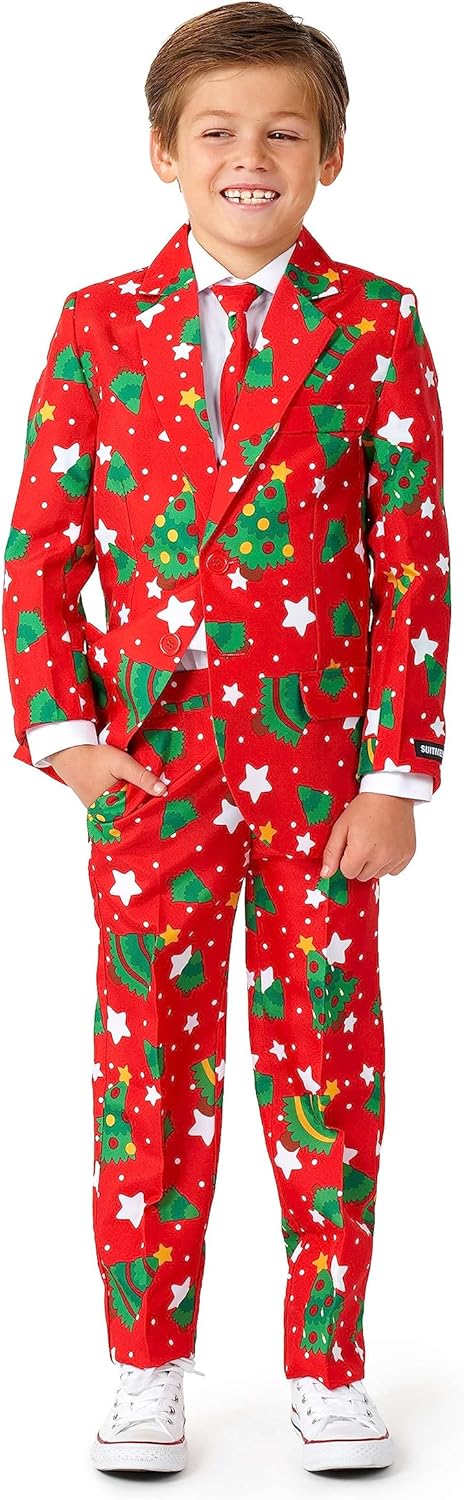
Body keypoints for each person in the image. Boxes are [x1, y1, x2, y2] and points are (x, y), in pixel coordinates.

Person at [2, 1, 450, 1477]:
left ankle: (330, 1367)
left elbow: (413, 559)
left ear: (330, 155)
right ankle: (146, 1367)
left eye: (282, 132)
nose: (249, 156)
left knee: (327, 1060)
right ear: (163, 151)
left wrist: (397, 773)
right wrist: (67, 736)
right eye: (217, 131)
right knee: (148, 1062)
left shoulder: (376, 321)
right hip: (155, 765)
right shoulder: (96, 322)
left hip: (323, 769)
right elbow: (44, 549)